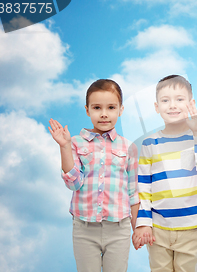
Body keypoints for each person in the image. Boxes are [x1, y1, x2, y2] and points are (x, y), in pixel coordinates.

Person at [49, 79, 139, 272]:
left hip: (119, 228)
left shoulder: (128, 147)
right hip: (84, 228)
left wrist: (137, 228)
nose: (104, 114)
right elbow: (73, 183)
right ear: (87, 110)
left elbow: (133, 193)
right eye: (97, 107)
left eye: (111, 107)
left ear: (120, 110)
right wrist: (64, 147)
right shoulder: (75, 142)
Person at [132, 75, 197, 272]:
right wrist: (143, 223)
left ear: (191, 104)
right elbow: (143, 185)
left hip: (191, 227)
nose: (172, 105)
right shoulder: (150, 143)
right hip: (158, 227)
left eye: (179, 99)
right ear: (156, 106)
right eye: (165, 100)